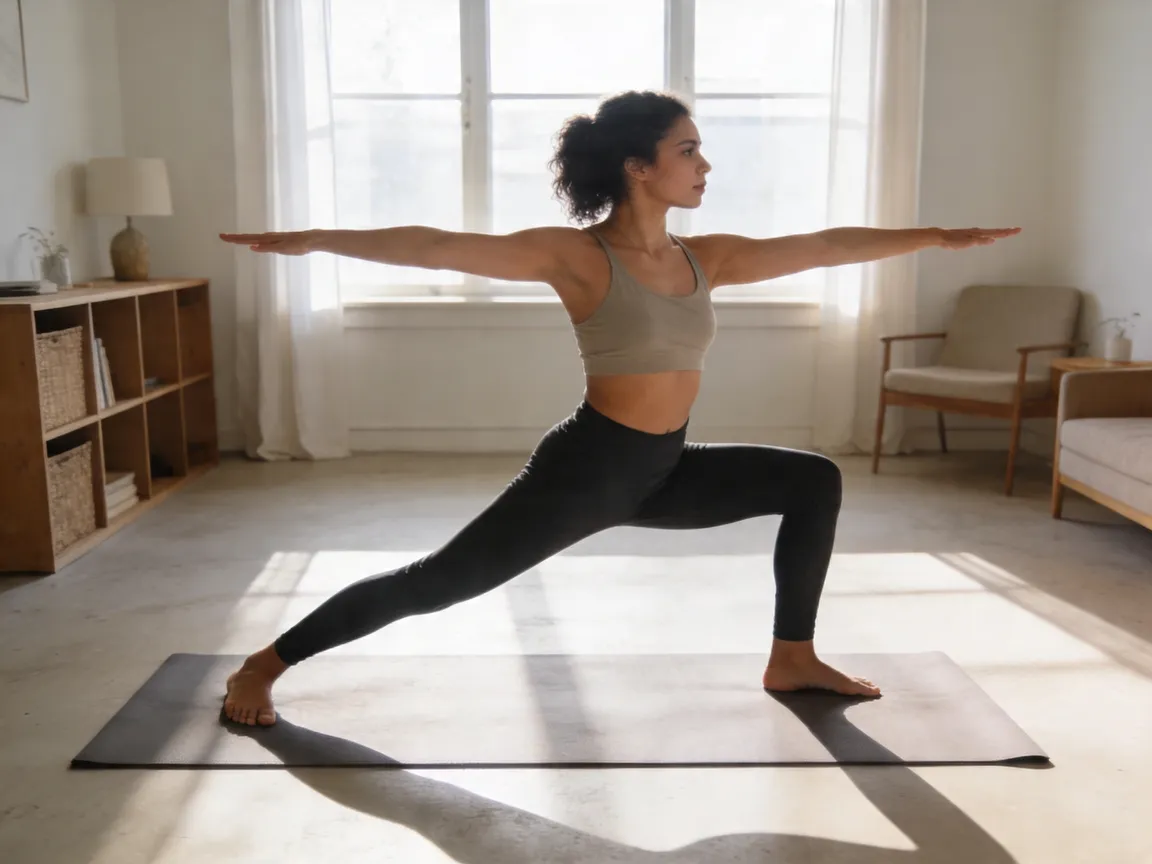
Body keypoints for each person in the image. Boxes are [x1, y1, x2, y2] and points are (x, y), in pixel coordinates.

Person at [219, 90, 1019, 727]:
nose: (706, 164)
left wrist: (936, 235)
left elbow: (826, 245)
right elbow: (436, 245)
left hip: (663, 467)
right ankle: (265, 663)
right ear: (640, 168)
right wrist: (318, 237)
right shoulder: (578, 256)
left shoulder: (706, 258)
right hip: (587, 471)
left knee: (812, 481)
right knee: (436, 585)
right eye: (689, 150)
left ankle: (793, 656)